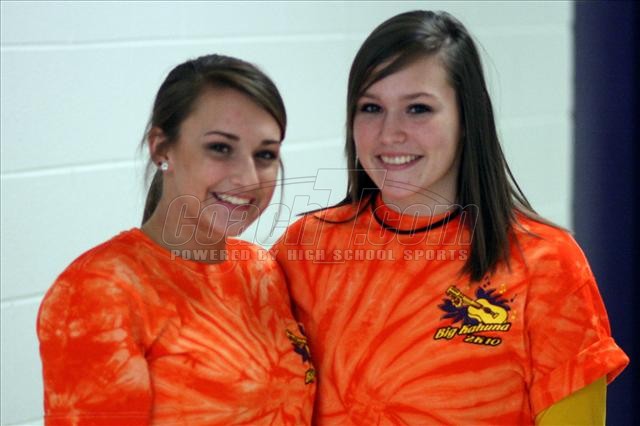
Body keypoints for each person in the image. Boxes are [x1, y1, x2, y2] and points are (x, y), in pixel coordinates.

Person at [273, 11, 629, 425]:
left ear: (466, 119)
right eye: (371, 107)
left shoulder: (546, 264)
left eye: (418, 108)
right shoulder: (305, 249)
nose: (390, 133)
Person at [37, 54, 315, 425]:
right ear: (161, 148)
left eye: (265, 154)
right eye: (220, 148)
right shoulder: (99, 290)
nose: (248, 178)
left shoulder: (262, 270)